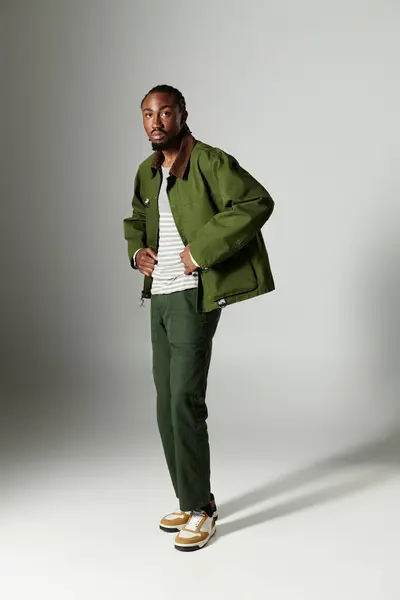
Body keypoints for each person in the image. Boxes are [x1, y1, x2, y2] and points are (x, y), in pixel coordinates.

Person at [123, 84, 275, 552]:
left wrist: (200, 252)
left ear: (183, 114)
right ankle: (192, 500)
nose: (156, 122)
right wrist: (138, 253)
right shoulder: (147, 172)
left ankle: (203, 512)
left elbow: (256, 202)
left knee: (185, 401)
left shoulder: (209, 161)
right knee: (165, 403)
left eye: (165, 112)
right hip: (160, 296)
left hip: (192, 295)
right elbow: (135, 219)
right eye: (148, 114)